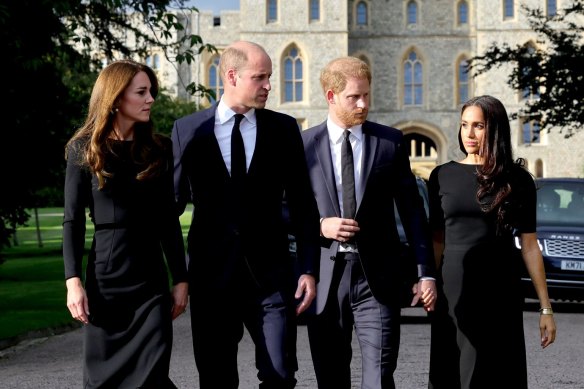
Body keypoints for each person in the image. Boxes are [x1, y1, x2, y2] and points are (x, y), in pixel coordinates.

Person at [171, 40, 320, 389]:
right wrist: (177, 273)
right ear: (232, 76)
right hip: (211, 277)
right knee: (216, 378)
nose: (269, 85)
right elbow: (171, 206)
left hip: (271, 278)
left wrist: (309, 269)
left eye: (269, 76)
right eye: (261, 77)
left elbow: (302, 205)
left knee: (280, 376)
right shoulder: (188, 129)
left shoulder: (283, 130)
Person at [301, 56, 437, 389]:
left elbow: (413, 212)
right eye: (354, 97)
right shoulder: (304, 145)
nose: (363, 104)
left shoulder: (390, 142)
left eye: (367, 95)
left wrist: (425, 272)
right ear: (331, 96)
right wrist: (320, 225)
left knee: (379, 375)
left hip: (378, 279)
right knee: (331, 378)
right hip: (326, 278)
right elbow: (282, 210)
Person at [63, 59, 188, 389]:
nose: (151, 100)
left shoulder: (160, 149)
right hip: (106, 283)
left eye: (152, 92)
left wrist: (181, 278)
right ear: (117, 97)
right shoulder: (83, 150)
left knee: (152, 376)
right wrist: (72, 281)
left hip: (151, 284)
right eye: (142, 92)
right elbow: (72, 221)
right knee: (104, 380)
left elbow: (167, 222)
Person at [427, 95, 557, 389]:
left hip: (501, 285)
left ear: (495, 129)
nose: (469, 134)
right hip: (453, 286)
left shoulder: (518, 179)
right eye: (464, 125)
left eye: (478, 126)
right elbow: (436, 240)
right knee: (451, 367)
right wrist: (427, 282)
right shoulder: (441, 175)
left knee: (497, 370)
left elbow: (529, 245)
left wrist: (545, 307)